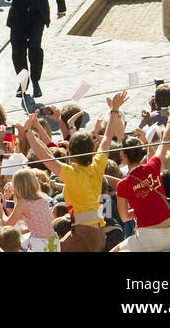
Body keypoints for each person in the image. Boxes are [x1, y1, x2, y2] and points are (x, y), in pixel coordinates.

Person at [26, 91, 129, 252]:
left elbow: (45, 157)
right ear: (92, 150)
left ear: (71, 154)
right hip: (96, 230)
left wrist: (28, 133)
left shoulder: (72, 174)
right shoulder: (97, 164)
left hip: (85, 233)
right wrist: (114, 110)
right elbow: (107, 139)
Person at [2, 0, 65, 98]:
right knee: (18, 51)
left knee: (35, 48)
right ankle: (23, 83)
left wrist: (61, 8)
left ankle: (36, 81)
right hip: (18, 16)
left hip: (37, 15)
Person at [113, 119, 170, 252]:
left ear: (123, 156)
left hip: (150, 239)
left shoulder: (123, 185)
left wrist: (142, 207)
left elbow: (124, 217)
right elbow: (165, 140)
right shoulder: (153, 166)